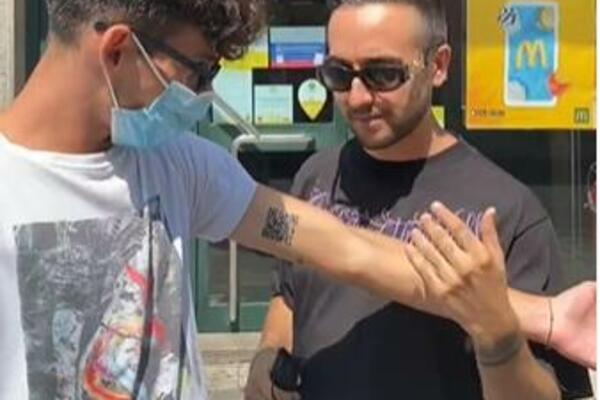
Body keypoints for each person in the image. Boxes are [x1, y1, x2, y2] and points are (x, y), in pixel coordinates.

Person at [0, 0, 584, 398]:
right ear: (117, 51)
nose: (204, 96)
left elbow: (351, 250)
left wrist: (542, 316)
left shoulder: (177, 164)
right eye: (199, 72)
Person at [247, 0, 594, 399]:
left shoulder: (507, 211)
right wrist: (268, 353)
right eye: (339, 74)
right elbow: (289, 296)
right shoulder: (315, 177)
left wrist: (498, 337)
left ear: (439, 66)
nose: (357, 97)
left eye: (383, 74)